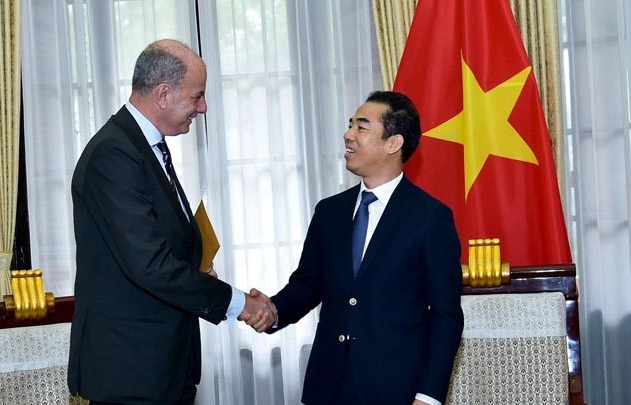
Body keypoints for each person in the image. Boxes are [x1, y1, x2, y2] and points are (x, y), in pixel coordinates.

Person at [67, 39, 277, 405]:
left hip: (163, 364)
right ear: (163, 94)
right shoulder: (113, 154)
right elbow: (149, 264)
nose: (204, 107)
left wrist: (196, 269)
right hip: (131, 371)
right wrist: (238, 302)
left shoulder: (144, 145)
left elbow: (158, 242)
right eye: (197, 97)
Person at [267, 91, 464, 404]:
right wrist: (272, 311)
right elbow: (309, 284)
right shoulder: (329, 212)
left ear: (393, 143)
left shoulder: (431, 217)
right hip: (328, 387)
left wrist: (427, 396)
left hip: (395, 390)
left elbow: (446, 315)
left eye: (361, 127)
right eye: (350, 126)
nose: (348, 135)